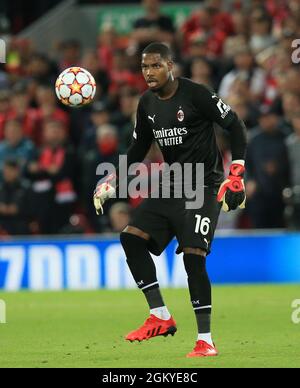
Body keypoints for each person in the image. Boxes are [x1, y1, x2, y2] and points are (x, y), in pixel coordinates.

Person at [93, 43, 247, 358]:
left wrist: (237, 172)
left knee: (193, 258)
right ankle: (160, 316)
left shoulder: (196, 94)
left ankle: (205, 340)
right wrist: (114, 178)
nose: (149, 73)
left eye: (155, 66)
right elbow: (137, 150)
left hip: (203, 187)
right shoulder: (146, 103)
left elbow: (236, 126)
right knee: (130, 238)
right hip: (171, 185)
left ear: (170, 65)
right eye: (144, 67)